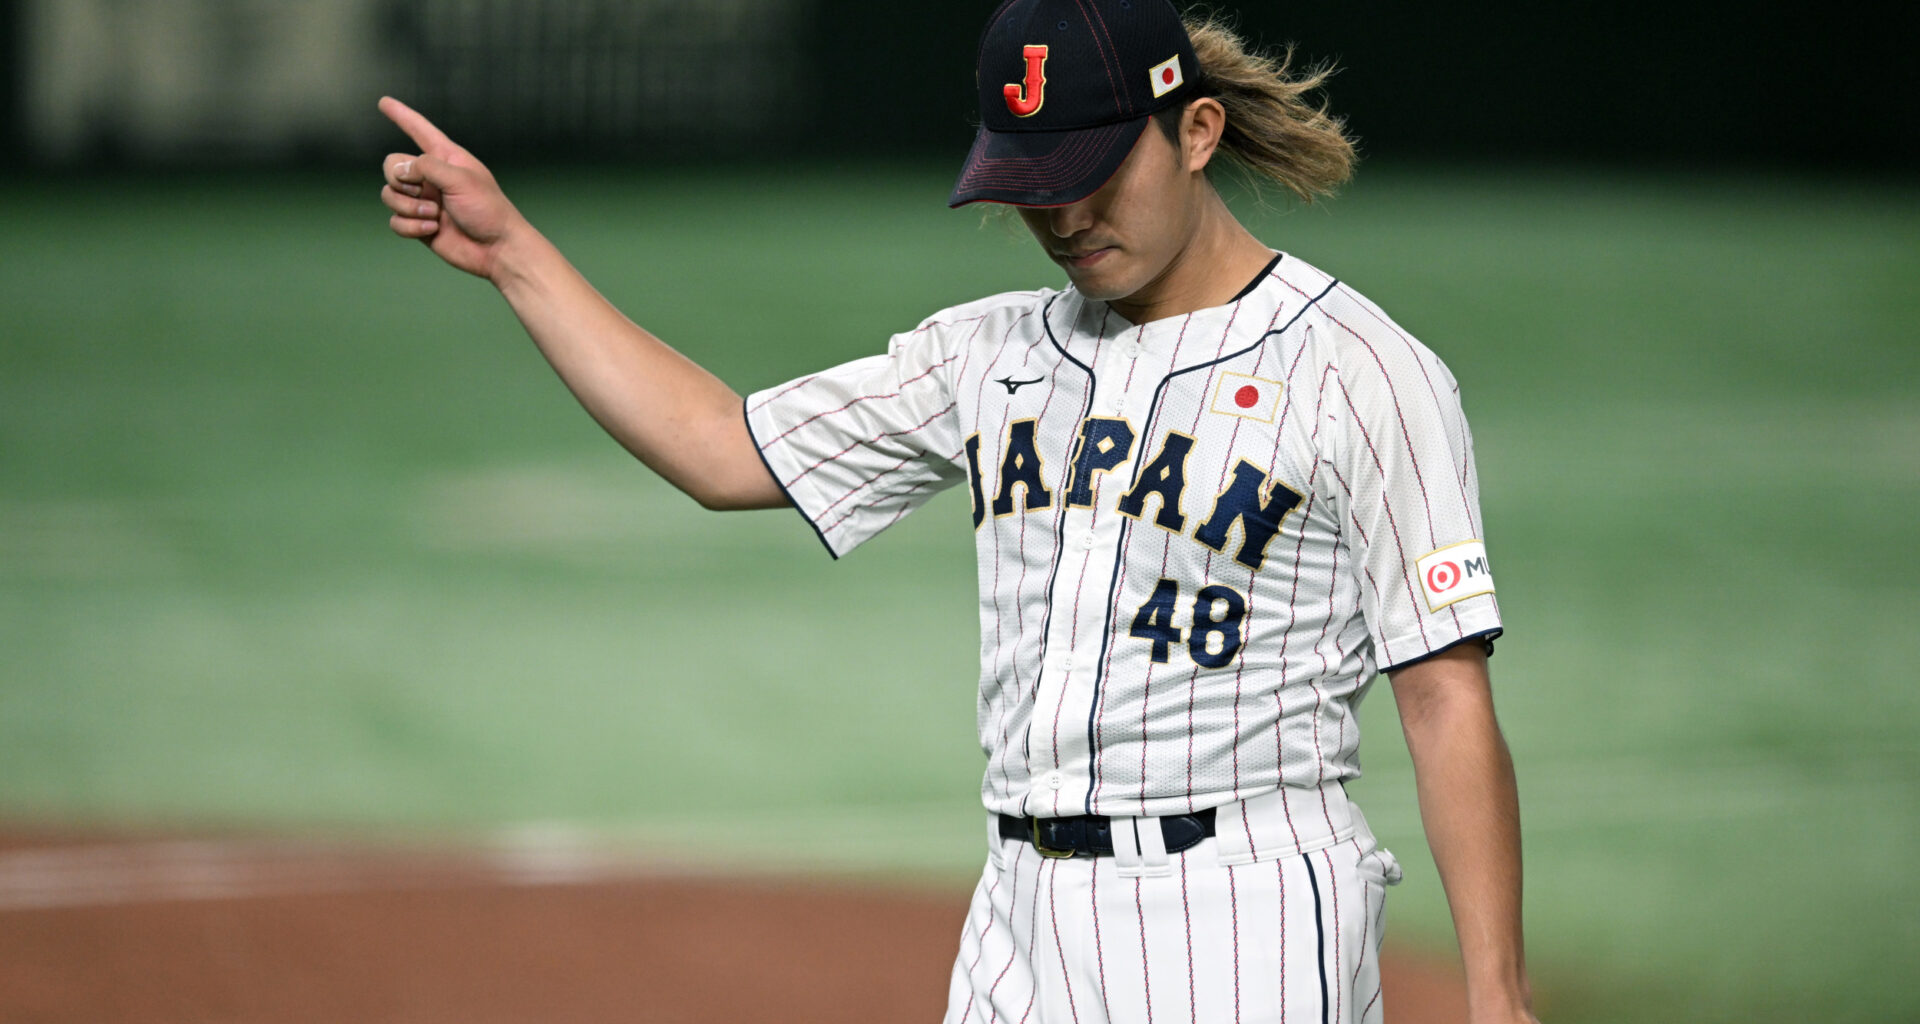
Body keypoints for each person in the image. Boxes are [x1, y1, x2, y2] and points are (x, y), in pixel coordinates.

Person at [377, 1, 1538, 1021]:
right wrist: (518, 256)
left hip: (1238, 910)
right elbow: (721, 449)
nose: (1066, 216)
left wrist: (1497, 995)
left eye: (1095, 173)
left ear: (1195, 131)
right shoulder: (990, 356)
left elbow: (1441, 699)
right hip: (1018, 918)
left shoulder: (1362, 371)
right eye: (1034, 187)